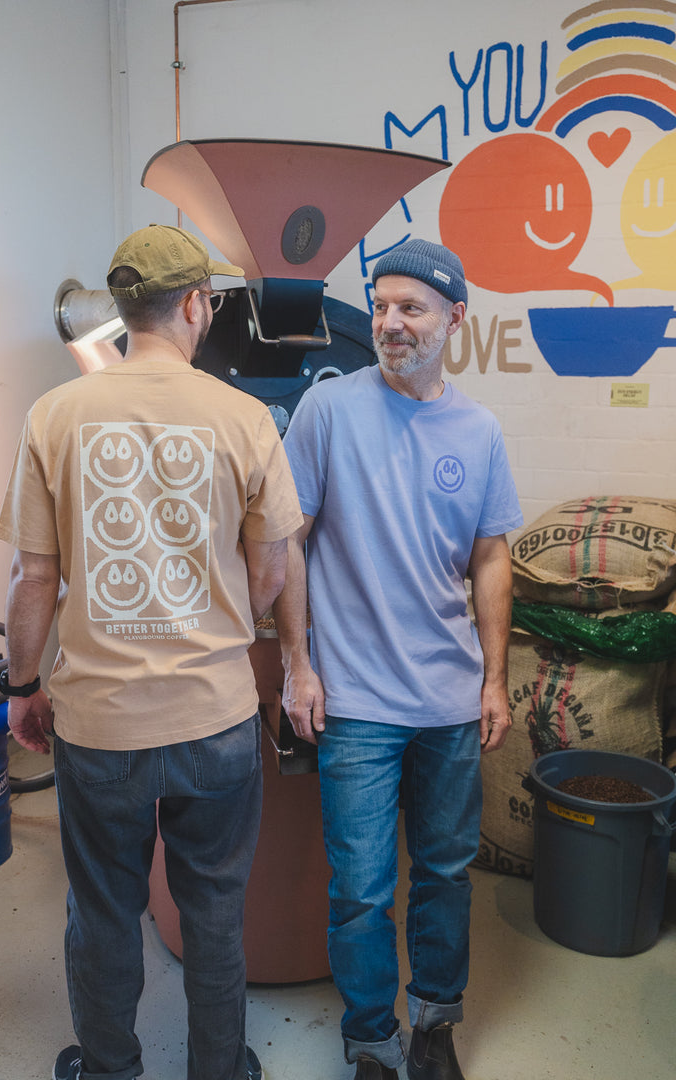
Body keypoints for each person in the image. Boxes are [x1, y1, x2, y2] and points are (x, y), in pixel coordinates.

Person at [0, 224, 303, 1080]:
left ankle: (107, 1069)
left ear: (121, 310)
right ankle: (218, 1069)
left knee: (102, 912)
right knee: (213, 914)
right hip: (216, 721)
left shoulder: (54, 414)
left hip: (99, 727)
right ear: (199, 304)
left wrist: (23, 689)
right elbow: (274, 566)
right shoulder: (244, 417)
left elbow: (32, 579)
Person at [272, 239, 523, 1080]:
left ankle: (436, 1024)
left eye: (411, 308)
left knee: (448, 875)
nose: (388, 324)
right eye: (381, 306)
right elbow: (289, 545)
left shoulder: (480, 429)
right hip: (358, 703)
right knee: (363, 890)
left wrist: (494, 679)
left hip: (450, 702)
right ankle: (373, 1038)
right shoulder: (330, 410)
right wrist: (296, 666)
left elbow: (492, 558)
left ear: (455, 319)